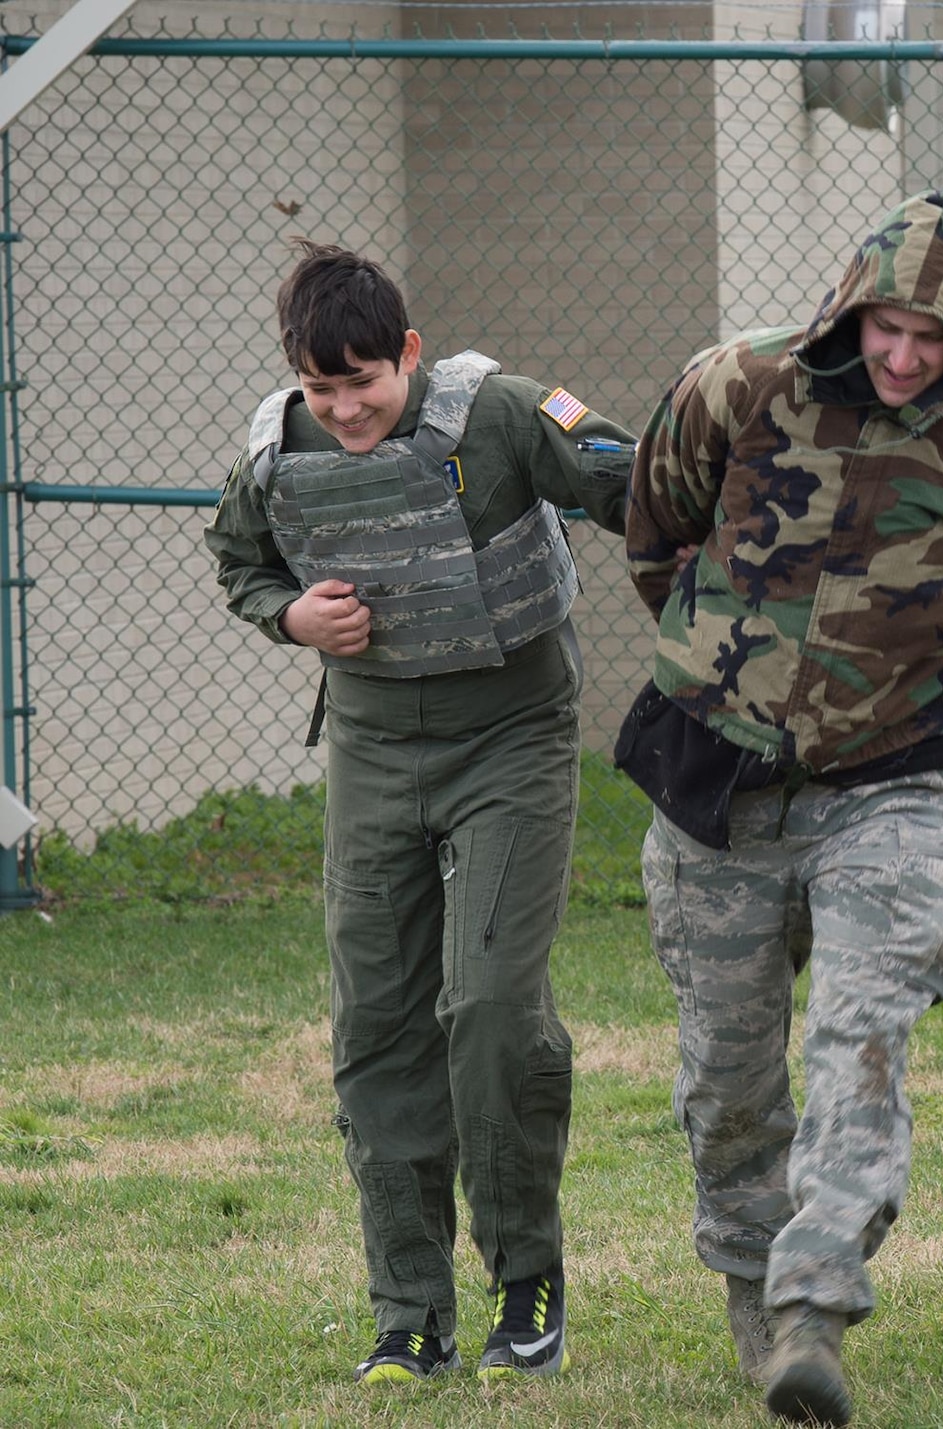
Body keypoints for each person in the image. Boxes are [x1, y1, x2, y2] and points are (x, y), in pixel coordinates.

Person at [623, 189, 943, 1427]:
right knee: (728, 1075)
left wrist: (927, 704)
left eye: (930, 338)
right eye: (885, 326)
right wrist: (729, 659)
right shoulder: (738, 385)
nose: (900, 356)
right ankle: (747, 1283)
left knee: (861, 1036)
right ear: (849, 305)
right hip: (716, 777)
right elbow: (657, 530)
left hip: (888, 784)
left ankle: (812, 1306)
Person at [205, 240, 632, 1384]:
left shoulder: (495, 414)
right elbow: (238, 561)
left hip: (511, 742)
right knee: (376, 1028)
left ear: (409, 354)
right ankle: (409, 1313)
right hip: (376, 752)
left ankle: (525, 1282)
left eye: (366, 383)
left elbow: (632, 480)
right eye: (321, 386)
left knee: (490, 1008)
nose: (345, 410)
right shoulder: (277, 452)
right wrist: (295, 619)